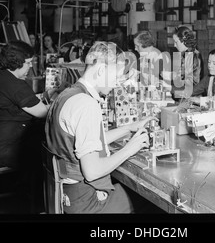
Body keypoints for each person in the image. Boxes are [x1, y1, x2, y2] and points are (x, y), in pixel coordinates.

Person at [45, 41, 157, 213]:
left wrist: (131, 127)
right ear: (101, 71)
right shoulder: (87, 104)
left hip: (65, 194)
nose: (117, 82)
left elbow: (88, 140)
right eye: (116, 76)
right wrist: (130, 148)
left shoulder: (68, 95)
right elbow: (92, 171)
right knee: (150, 201)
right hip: (86, 201)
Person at [0, 41, 50, 170]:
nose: (30, 67)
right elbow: (43, 112)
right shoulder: (15, 84)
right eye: (28, 63)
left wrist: (46, 95)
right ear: (17, 62)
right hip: (5, 148)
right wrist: (62, 101)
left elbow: (20, 101)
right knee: (49, 153)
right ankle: (32, 188)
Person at [172, 26, 204, 98]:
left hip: (192, 97)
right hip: (184, 94)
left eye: (176, 42)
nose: (174, 45)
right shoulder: (184, 55)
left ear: (184, 41)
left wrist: (173, 77)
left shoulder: (194, 55)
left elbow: (194, 82)